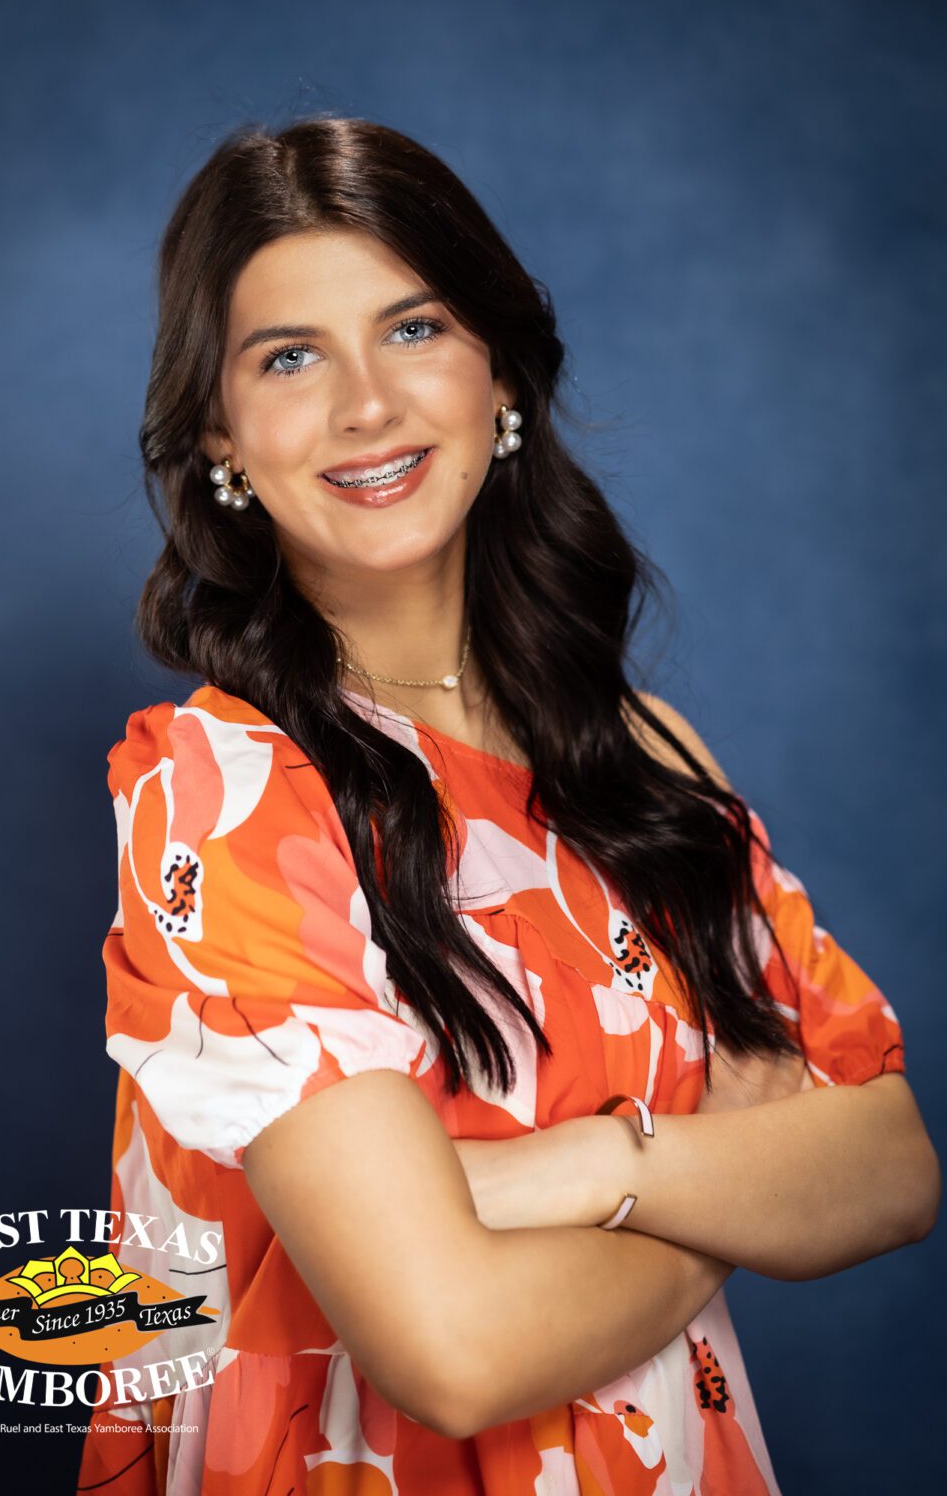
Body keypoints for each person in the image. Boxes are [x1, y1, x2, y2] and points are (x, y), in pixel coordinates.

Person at [75, 116, 939, 1496]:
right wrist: (727, 1187)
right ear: (219, 432)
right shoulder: (224, 792)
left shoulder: (647, 760)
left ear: (498, 376)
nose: (366, 404)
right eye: (288, 356)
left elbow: (889, 1170)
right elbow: (452, 1348)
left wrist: (569, 1167)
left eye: (412, 329)